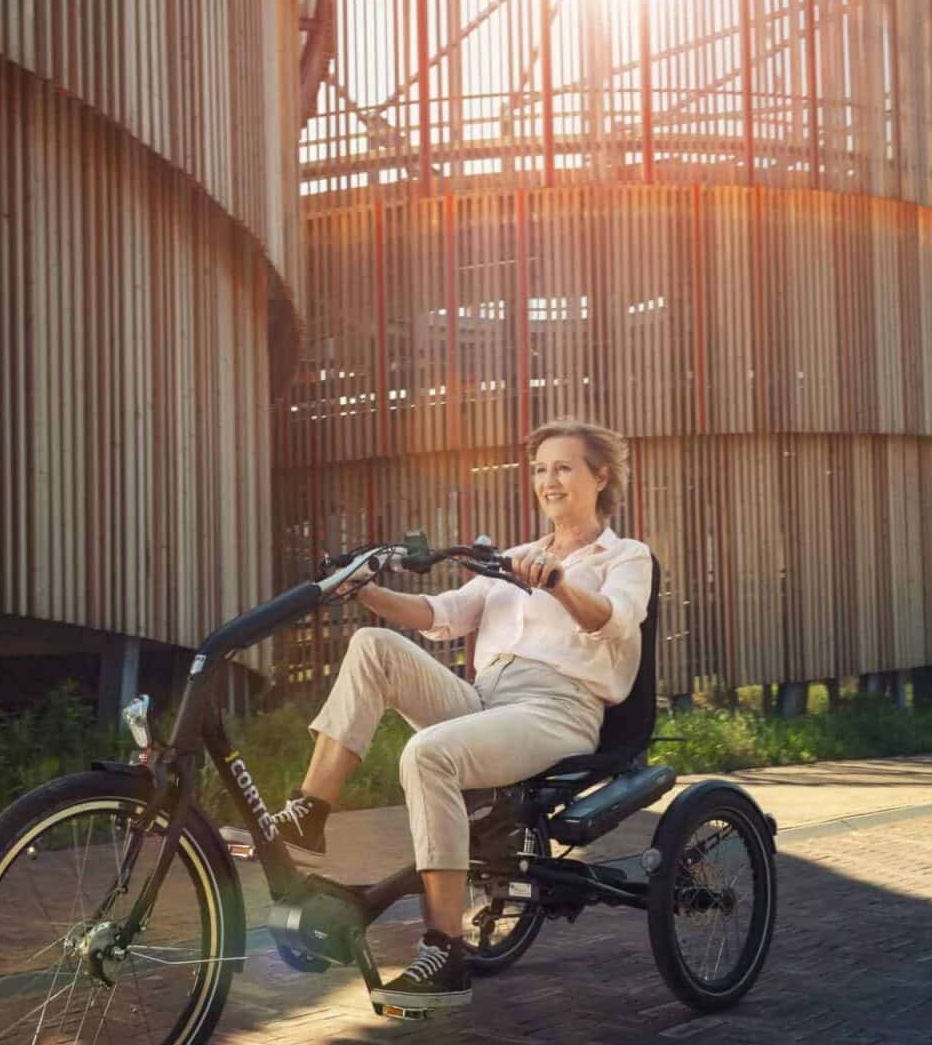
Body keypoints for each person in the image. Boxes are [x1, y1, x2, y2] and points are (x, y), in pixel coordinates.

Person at [261, 418, 653, 1012]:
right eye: (541, 469)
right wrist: (362, 590)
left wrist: (560, 585)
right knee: (372, 646)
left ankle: (445, 950)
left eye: (564, 467)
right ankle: (310, 813)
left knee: (428, 753)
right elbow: (439, 612)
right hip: (486, 699)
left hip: (557, 707)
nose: (549, 480)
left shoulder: (626, 557)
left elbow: (612, 619)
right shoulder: (515, 558)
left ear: (600, 477)